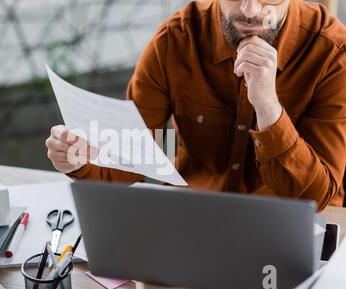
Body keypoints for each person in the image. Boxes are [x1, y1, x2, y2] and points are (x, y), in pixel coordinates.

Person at [46, 0, 346, 211]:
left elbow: (317, 197)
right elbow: (131, 156)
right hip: (191, 215)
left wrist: (268, 107)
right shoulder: (175, 40)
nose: (250, 10)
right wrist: (78, 160)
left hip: (290, 223)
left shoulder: (332, 53)